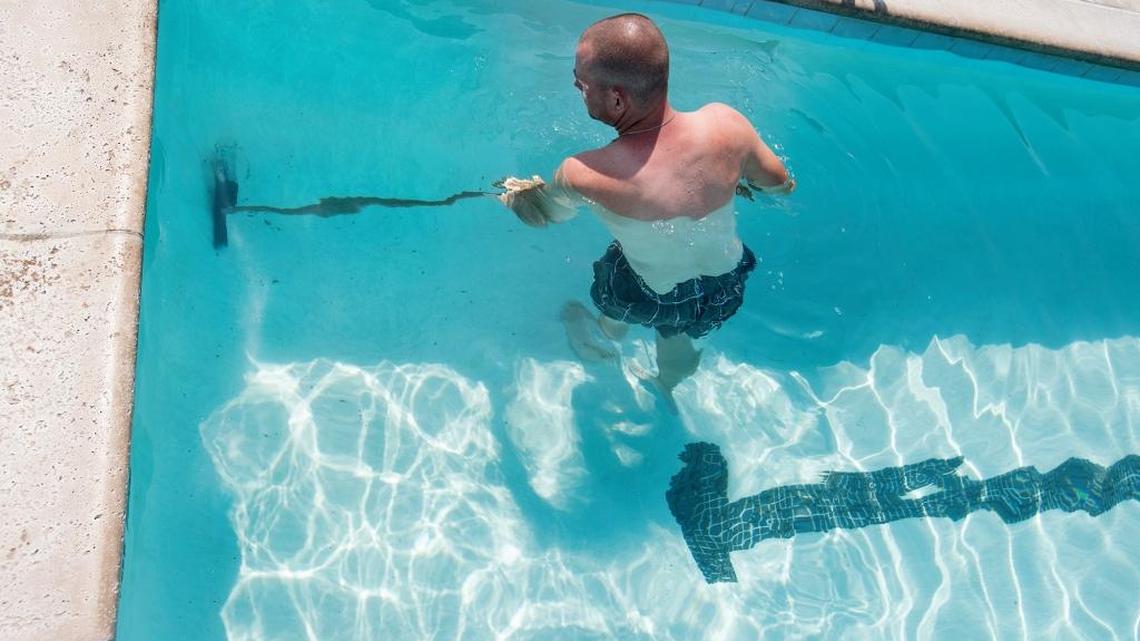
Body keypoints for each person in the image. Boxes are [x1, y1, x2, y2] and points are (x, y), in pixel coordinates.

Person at [499, 13, 794, 401]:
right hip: (726, 283)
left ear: (616, 99)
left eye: (581, 82)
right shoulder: (728, 126)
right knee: (681, 337)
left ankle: (606, 335)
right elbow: (780, 187)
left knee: (619, 290)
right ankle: (665, 386)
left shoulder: (585, 173)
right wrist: (732, 180)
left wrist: (519, 196)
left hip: (647, 293)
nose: (575, 86)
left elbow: (545, 216)